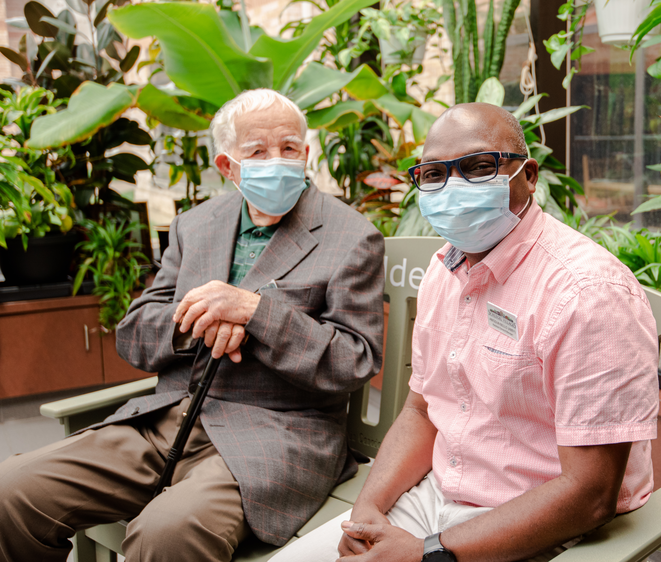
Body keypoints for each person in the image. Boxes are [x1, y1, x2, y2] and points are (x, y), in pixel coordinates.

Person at [0, 89, 385, 562]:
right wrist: (197, 320)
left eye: (289, 148)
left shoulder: (351, 235)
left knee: (167, 533)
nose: (277, 160)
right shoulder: (195, 225)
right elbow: (136, 331)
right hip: (164, 421)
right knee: (10, 492)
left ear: (306, 153)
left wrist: (255, 312)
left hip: (277, 435)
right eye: (257, 151)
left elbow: (356, 358)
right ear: (228, 166)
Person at [273, 103, 659, 562]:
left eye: (479, 167)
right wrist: (369, 510)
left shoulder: (586, 294)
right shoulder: (446, 268)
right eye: (434, 174)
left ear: (528, 176)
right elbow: (423, 409)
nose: (453, 187)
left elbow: (589, 493)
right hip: (435, 499)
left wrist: (425, 553)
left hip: (543, 529)